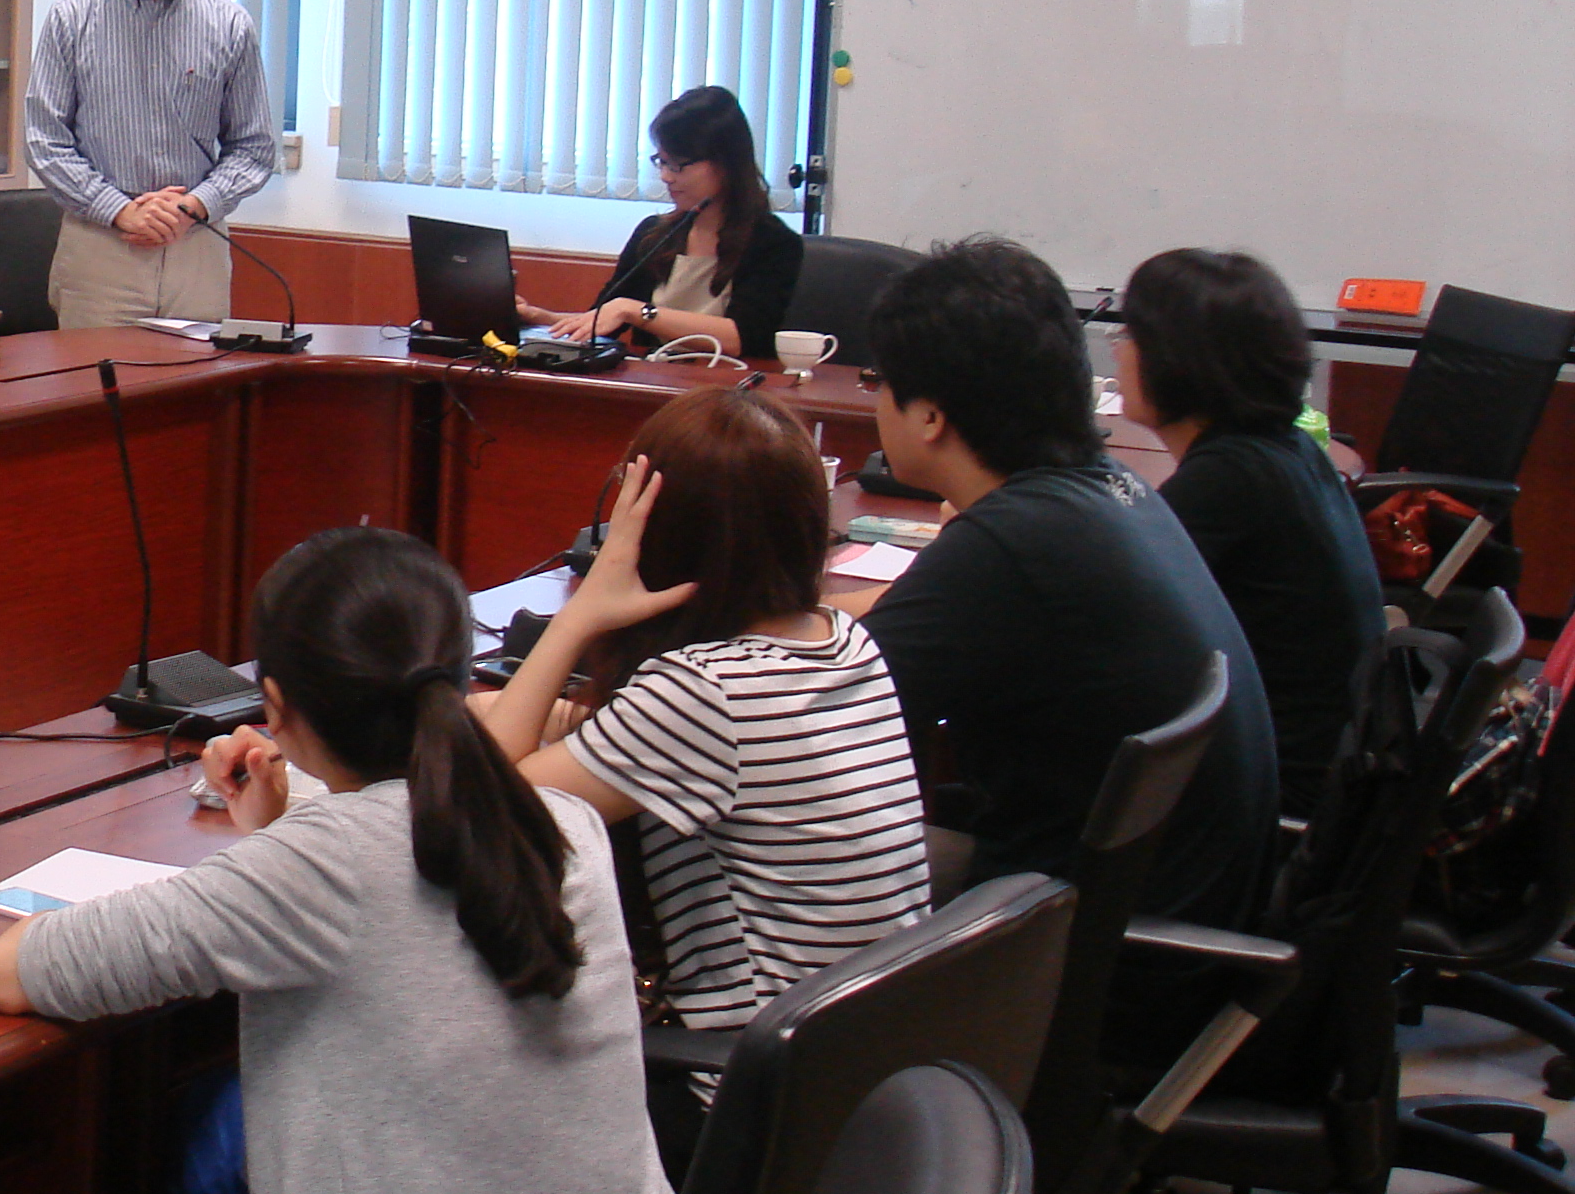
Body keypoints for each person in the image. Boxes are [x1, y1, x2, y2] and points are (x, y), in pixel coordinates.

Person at [0, 527, 672, 1194]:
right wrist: (283, 830)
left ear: (280, 705)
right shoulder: (555, 820)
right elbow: (390, 894)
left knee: (189, 1176)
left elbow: (18, 971)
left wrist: (282, 845)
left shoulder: (318, 870)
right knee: (223, 1152)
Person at [852, 238, 1277, 1047]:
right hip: (1174, 931)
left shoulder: (1013, 542)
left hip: (1093, 970)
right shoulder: (1112, 494)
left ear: (931, 415)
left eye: (880, 383)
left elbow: (816, 717)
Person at [478, 385, 927, 1041]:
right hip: (861, 1062)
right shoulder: (841, 638)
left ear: (655, 533)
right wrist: (568, 721)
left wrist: (579, 616)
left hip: (747, 1090)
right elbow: (709, 743)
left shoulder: (701, 692)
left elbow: (485, 810)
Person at [1118, 247, 1386, 812]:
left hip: (1263, 799)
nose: (1120, 350)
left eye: (1133, 336)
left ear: (1176, 361)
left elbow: (1108, 617)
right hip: (1317, 772)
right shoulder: (1284, 449)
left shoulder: (1228, 479)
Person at [25, 0, 276, 331]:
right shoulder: (71, 18)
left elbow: (254, 148)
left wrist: (191, 205)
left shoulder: (228, 23)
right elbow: (45, 140)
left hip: (195, 244)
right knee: (95, 395)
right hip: (100, 244)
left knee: (191, 397)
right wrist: (118, 210)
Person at [533, 86, 799, 357]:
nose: (666, 177)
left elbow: (745, 338)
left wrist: (639, 312)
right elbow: (601, 321)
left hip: (727, 390)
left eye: (678, 165)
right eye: (661, 162)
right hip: (655, 383)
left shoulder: (774, 243)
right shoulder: (654, 234)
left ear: (725, 163)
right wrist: (539, 317)